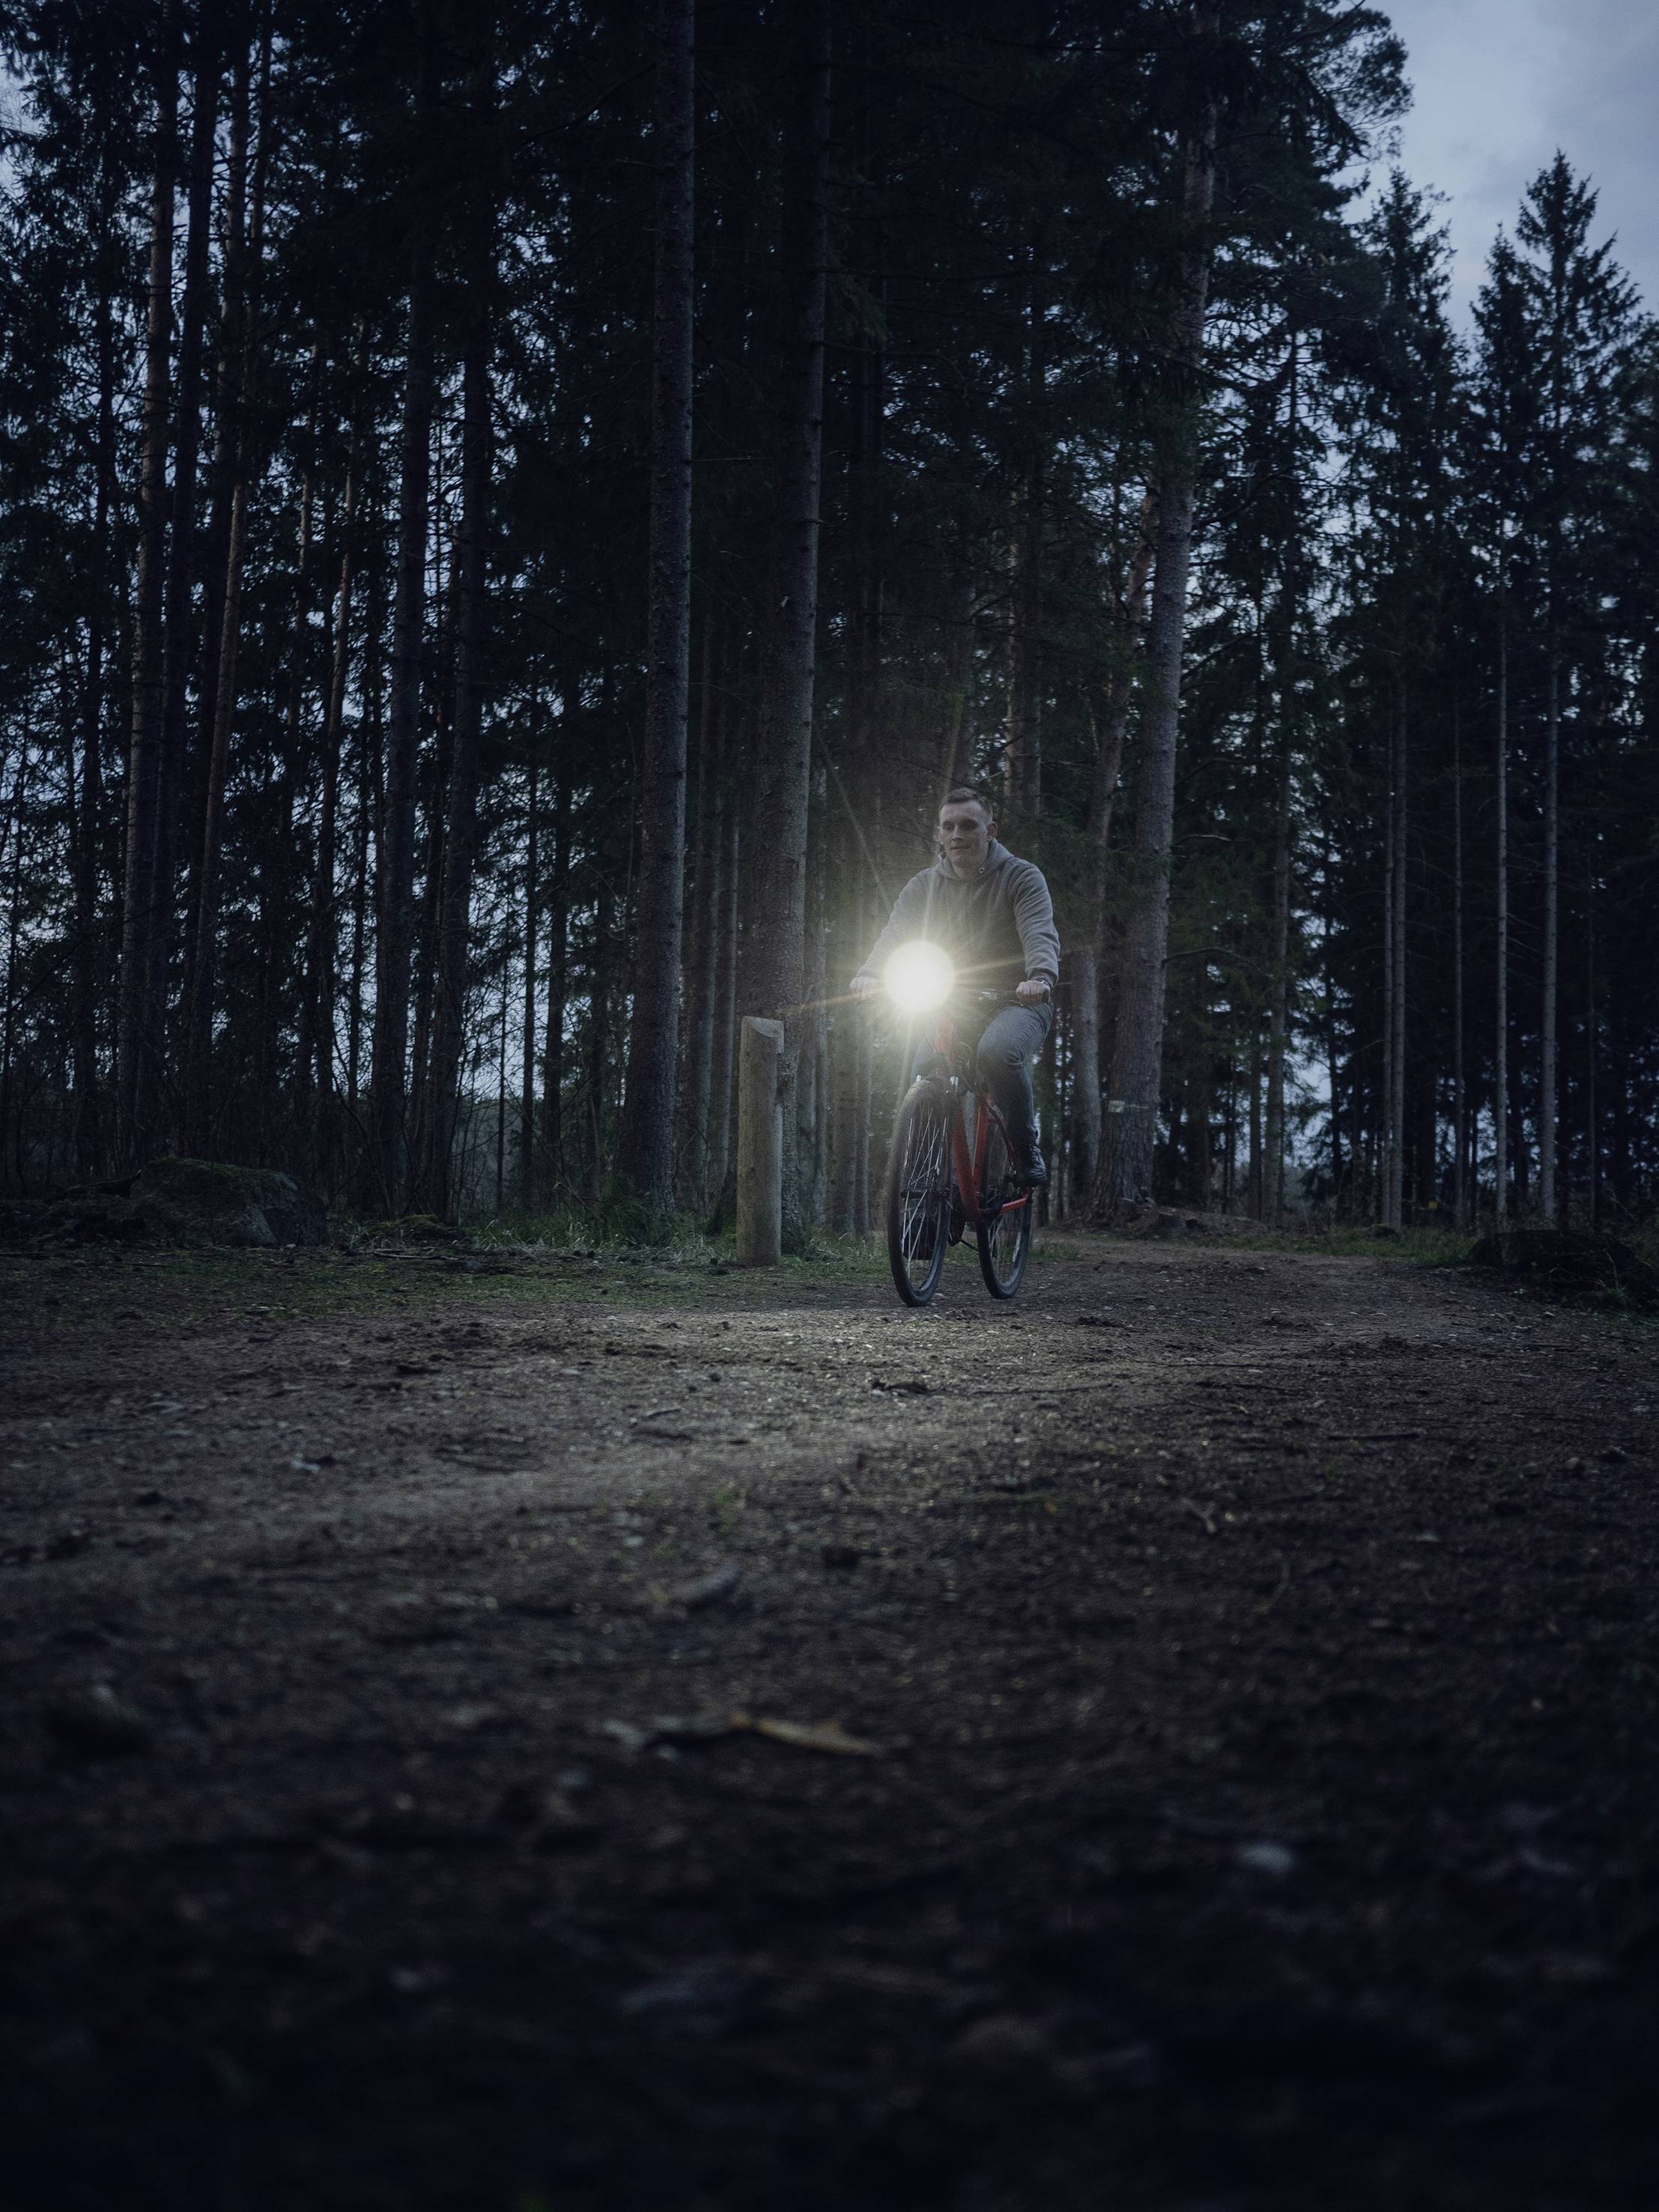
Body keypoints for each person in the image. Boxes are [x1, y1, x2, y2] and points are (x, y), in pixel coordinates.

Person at [851, 784, 1060, 1187]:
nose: (957, 835)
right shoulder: (923, 885)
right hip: (954, 1003)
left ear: (990, 830)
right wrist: (872, 972)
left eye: (968, 825)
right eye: (948, 826)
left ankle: (1024, 1144)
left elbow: (1039, 933)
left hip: (1017, 1000)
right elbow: (895, 933)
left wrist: (1040, 977)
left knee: (997, 1053)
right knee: (923, 1077)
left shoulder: (1021, 876)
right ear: (939, 834)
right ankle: (924, 1203)